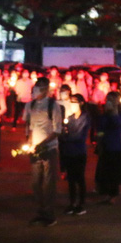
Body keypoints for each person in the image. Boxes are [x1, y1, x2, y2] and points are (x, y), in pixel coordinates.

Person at [22, 77, 65, 227]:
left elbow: (57, 130)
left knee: (48, 183)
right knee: (36, 183)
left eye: (40, 87)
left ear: (46, 89)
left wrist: (42, 144)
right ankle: (40, 212)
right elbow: (29, 126)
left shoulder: (53, 106)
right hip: (35, 149)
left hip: (49, 149)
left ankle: (50, 215)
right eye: (35, 86)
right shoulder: (31, 105)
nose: (36, 90)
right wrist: (29, 142)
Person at [94, 92, 121, 205]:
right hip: (105, 145)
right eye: (108, 99)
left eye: (112, 100)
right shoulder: (104, 115)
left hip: (116, 147)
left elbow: (119, 126)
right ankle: (104, 191)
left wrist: (113, 112)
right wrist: (99, 141)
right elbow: (100, 129)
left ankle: (113, 194)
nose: (109, 102)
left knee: (114, 172)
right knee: (104, 170)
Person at [61, 93, 90, 216]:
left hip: (79, 151)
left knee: (79, 178)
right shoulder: (71, 118)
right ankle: (72, 203)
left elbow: (80, 136)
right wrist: (64, 131)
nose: (72, 105)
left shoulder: (85, 117)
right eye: (71, 102)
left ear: (81, 103)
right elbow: (65, 135)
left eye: (75, 102)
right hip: (69, 151)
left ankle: (81, 204)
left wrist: (67, 136)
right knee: (71, 179)